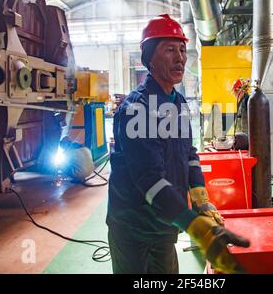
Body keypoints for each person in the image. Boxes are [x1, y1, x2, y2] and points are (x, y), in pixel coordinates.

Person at [106, 14, 250, 274]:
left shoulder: (178, 102)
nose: (180, 57)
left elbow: (189, 153)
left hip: (164, 223)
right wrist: (193, 225)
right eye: (169, 49)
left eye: (182, 50)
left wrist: (200, 198)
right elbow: (148, 178)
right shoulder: (137, 107)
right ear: (149, 58)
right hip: (133, 225)